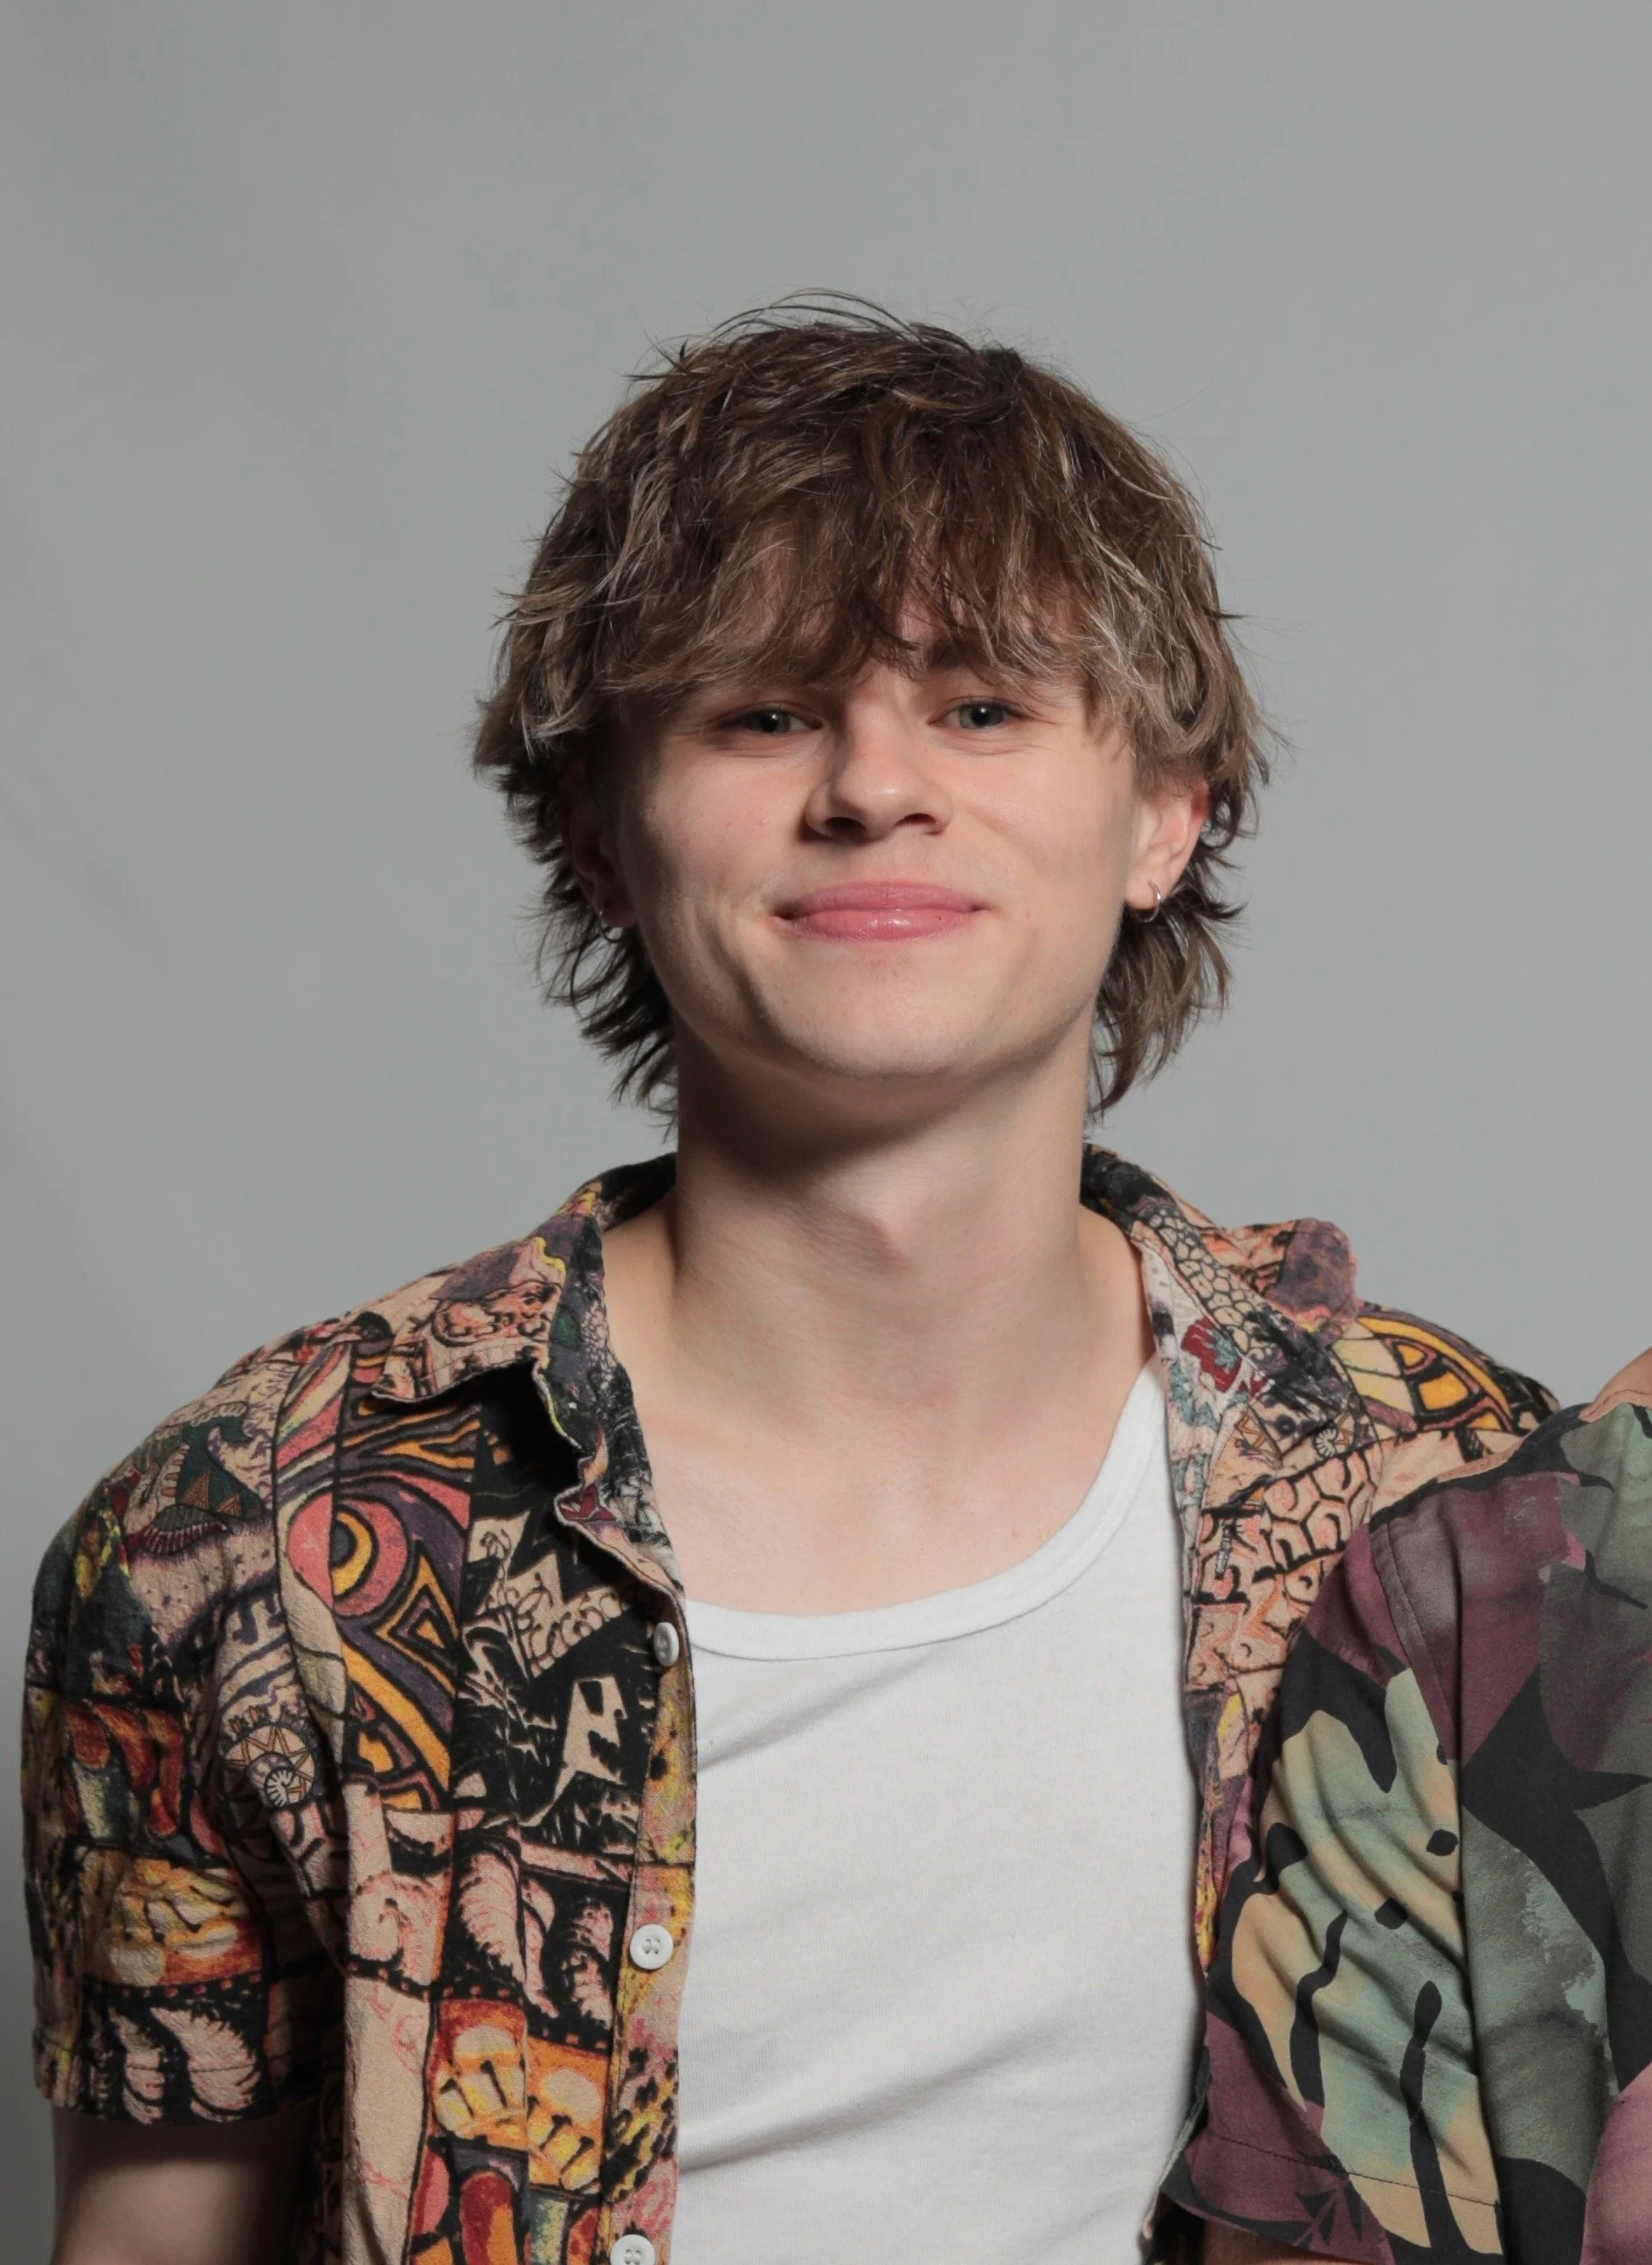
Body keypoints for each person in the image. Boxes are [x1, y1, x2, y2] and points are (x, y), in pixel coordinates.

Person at [23, 302, 1641, 2265]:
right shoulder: (242, 1543)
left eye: (980, 707)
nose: (876, 786)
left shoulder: (1452, 1503)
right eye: (765, 711)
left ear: (1165, 813)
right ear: (601, 831)